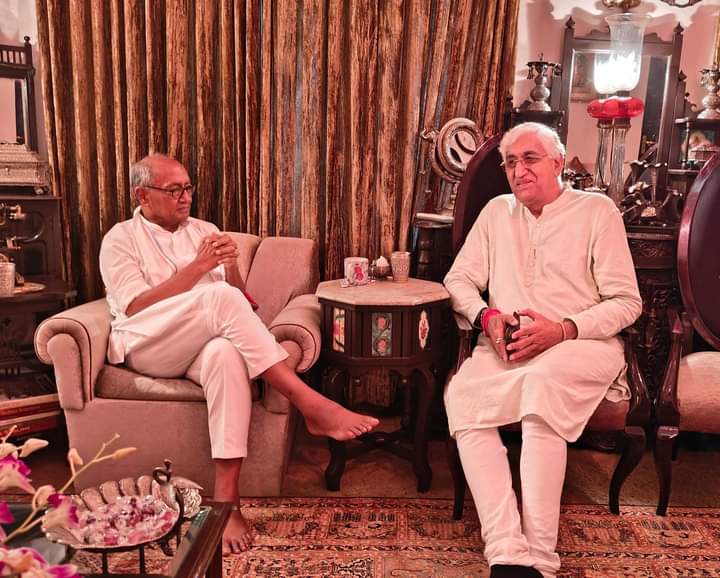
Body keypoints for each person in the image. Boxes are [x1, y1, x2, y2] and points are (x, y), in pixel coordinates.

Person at [99, 154, 379, 555]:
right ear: (142, 195)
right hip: (149, 342)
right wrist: (200, 268)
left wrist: (229, 266)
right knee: (217, 297)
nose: (185, 197)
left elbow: (240, 301)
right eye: (174, 190)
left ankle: (227, 503)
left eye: (188, 188)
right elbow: (136, 306)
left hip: (200, 342)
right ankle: (310, 403)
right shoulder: (120, 239)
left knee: (226, 354)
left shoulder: (205, 230)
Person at [443, 123, 641, 578]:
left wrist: (564, 329)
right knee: (463, 397)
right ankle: (507, 552)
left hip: (580, 344)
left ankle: (542, 558)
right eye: (511, 162)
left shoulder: (597, 211)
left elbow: (627, 302)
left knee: (540, 392)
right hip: (508, 346)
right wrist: (486, 317)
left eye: (530, 158)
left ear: (557, 163)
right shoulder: (497, 212)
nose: (519, 170)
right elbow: (459, 280)